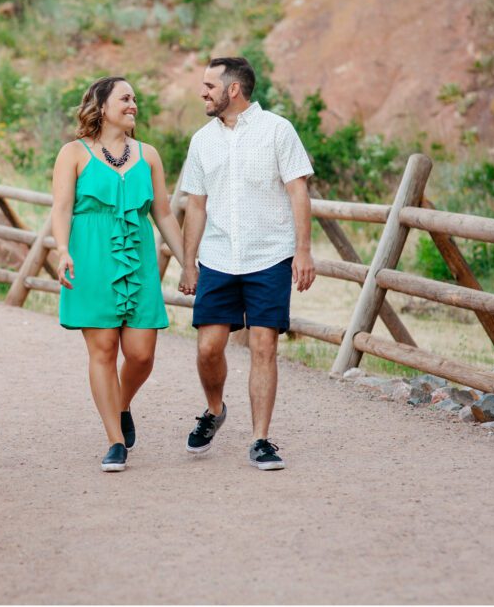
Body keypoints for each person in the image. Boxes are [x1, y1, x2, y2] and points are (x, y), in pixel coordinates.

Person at [177, 56, 316, 471]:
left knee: (263, 345)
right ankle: (215, 410)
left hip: (269, 256)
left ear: (232, 89)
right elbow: (196, 206)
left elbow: (298, 192)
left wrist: (303, 251)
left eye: (209, 86)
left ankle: (260, 439)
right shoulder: (202, 140)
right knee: (208, 348)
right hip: (218, 257)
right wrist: (188, 263)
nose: (202, 92)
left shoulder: (278, 131)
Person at [52, 76, 186, 472]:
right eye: (125, 98)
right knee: (104, 350)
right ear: (102, 105)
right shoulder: (72, 153)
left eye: (135, 100)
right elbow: (60, 208)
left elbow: (163, 213)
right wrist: (61, 250)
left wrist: (186, 262)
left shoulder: (148, 155)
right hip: (89, 257)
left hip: (138, 261)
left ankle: (122, 402)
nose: (133, 105)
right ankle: (115, 441)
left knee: (141, 354)